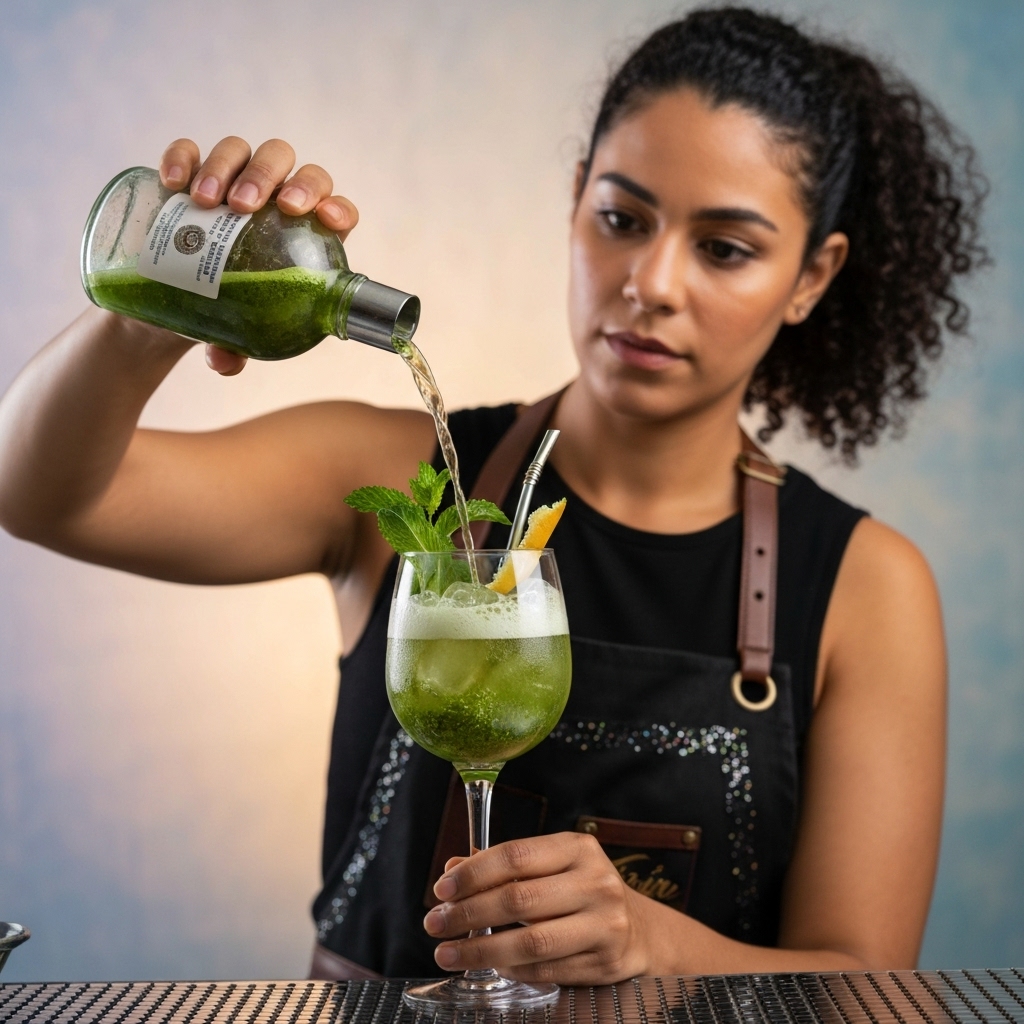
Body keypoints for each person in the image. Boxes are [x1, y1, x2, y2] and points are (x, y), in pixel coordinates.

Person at [0, 6, 987, 983]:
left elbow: (870, 991)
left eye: (723, 247)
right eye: (620, 217)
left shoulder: (864, 585)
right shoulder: (398, 479)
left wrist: (658, 947)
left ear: (811, 276)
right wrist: (155, 306)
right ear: (573, 201)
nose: (650, 281)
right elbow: (39, 494)